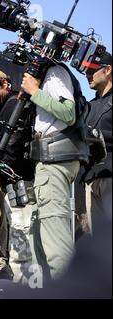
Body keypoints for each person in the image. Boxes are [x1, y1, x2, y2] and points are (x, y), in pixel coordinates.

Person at [21, 58, 86, 281]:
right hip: (49, 160)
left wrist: (35, 91)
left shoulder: (55, 73)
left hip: (55, 161)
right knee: (41, 232)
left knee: (55, 236)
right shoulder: (52, 74)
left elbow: (68, 114)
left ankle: (68, 290)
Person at [0, 69, 36, 280]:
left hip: (20, 179)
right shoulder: (5, 106)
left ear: (4, 83)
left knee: (21, 230)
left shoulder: (13, 104)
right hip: (17, 178)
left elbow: (13, 143)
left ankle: (24, 282)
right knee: (17, 228)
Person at [80, 51, 112, 234]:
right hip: (91, 176)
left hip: (110, 175)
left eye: (92, 70)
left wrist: (98, 134)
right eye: (85, 71)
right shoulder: (89, 105)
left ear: (108, 70)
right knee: (97, 238)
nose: (87, 75)